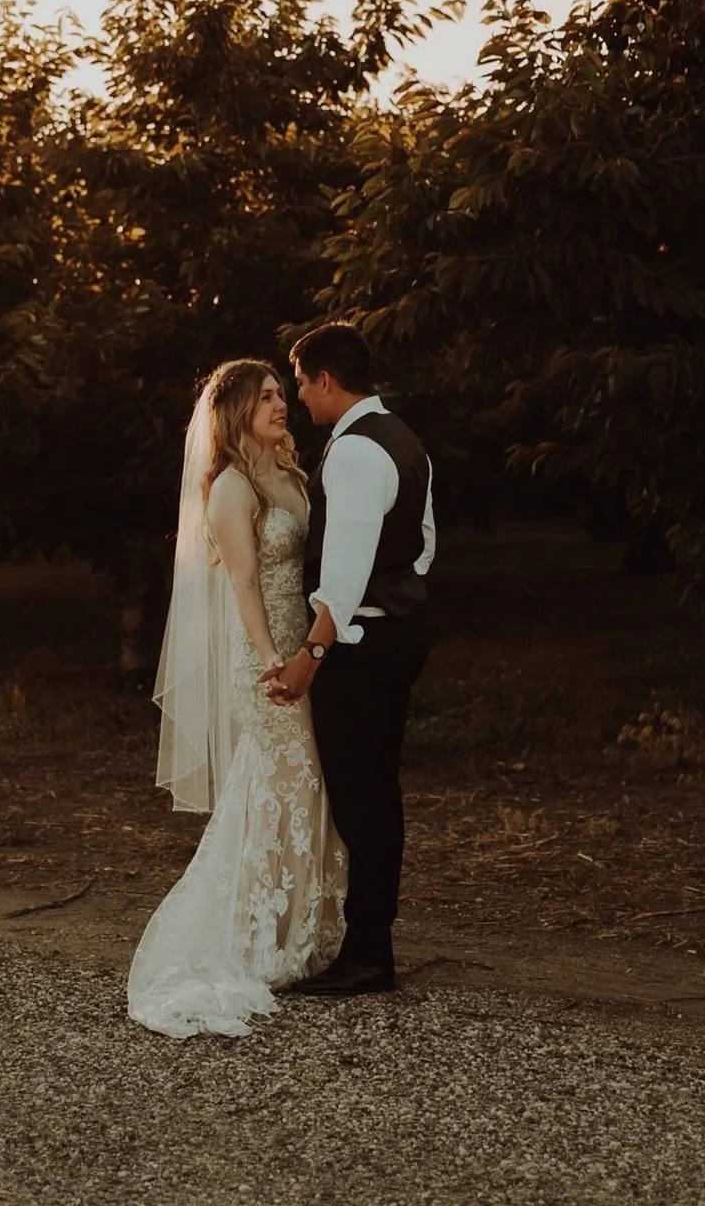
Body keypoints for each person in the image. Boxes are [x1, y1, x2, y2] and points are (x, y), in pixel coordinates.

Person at [127, 360, 345, 1039]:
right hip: (265, 660)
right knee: (284, 784)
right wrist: (273, 661)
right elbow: (244, 586)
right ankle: (257, 940)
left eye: (285, 393)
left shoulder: (290, 475)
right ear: (237, 409)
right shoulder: (230, 486)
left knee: (306, 791)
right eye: (268, 397)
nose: (282, 404)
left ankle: (302, 930)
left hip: (305, 651)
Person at [262, 322, 434, 996]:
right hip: (396, 631)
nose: (299, 396)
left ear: (325, 379)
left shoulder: (357, 450)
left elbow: (348, 567)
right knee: (376, 790)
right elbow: (423, 543)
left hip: (361, 644)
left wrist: (313, 650)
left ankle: (367, 953)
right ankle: (369, 941)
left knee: (362, 797)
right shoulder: (405, 439)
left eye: (300, 382)